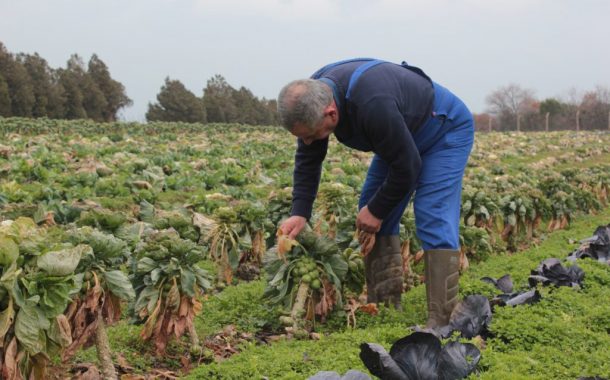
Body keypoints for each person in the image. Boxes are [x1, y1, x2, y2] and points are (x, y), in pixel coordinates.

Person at [277, 58, 474, 328]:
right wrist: (299, 212)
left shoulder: (372, 103)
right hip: (398, 135)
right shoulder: (313, 96)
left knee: (431, 213)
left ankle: (442, 321)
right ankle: (385, 308)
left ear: (331, 114)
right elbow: (308, 159)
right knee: (369, 210)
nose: (308, 142)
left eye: (312, 135)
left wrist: (378, 210)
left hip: (443, 130)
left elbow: (407, 167)